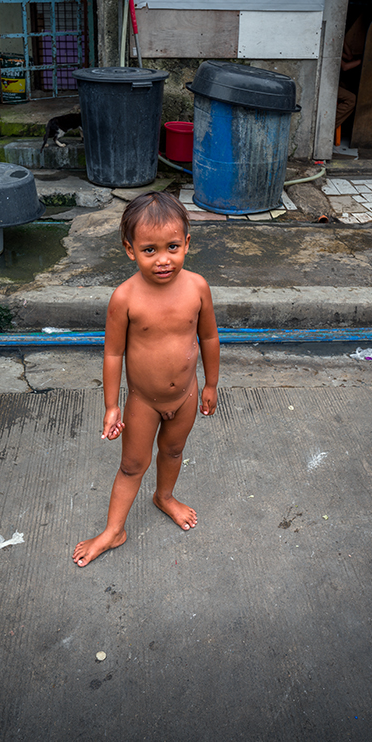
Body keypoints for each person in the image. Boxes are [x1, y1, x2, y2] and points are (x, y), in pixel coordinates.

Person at [72, 193, 220, 567]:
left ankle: (165, 496)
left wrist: (210, 384)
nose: (163, 259)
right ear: (129, 250)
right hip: (144, 402)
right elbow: (113, 354)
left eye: (172, 247)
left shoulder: (198, 287)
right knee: (131, 465)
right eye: (149, 250)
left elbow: (209, 338)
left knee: (172, 451)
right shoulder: (125, 298)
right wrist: (111, 405)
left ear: (187, 242)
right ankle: (113, 531)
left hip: (185, 397)